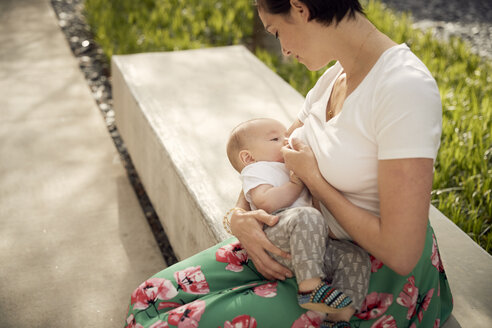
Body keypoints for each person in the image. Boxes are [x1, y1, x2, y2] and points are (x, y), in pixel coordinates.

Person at [124, 1, 453, 327]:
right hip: (303, 249)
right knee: (147, 299)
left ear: (300, 8)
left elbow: (402, 252)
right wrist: (241, 217)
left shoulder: (403, 88)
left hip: (361, 280)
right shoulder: (333, 78)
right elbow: (275, 159)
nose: (283, 49)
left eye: (277, 31)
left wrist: (314, 179)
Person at [226, 117, 370, 326]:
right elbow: (266, 202)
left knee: (354, 256)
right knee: (308, 216)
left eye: (286, 135)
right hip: (277, 236)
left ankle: (339, 319)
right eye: (275, 139)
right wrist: (296, 183)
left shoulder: (286, 165)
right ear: (248, 157)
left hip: (310, 246)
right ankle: (310, 287)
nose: (286, 140)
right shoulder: (256, 170)